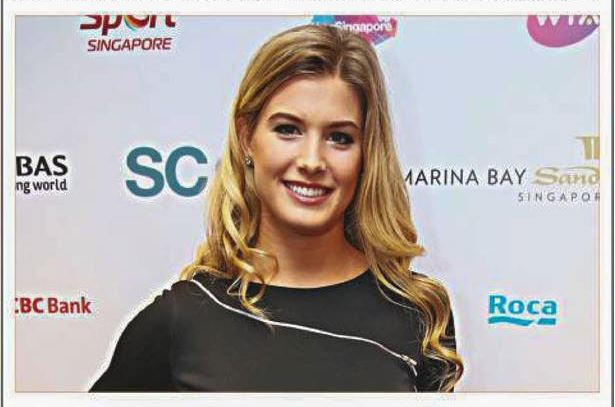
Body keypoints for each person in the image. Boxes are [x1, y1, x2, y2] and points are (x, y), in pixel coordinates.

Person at [91, 24, 463, 392]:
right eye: (288, 129)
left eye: (339, 137)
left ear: (367, 153)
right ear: (246, 137)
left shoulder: (419, 312)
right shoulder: (182, 318)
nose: (312, 160)